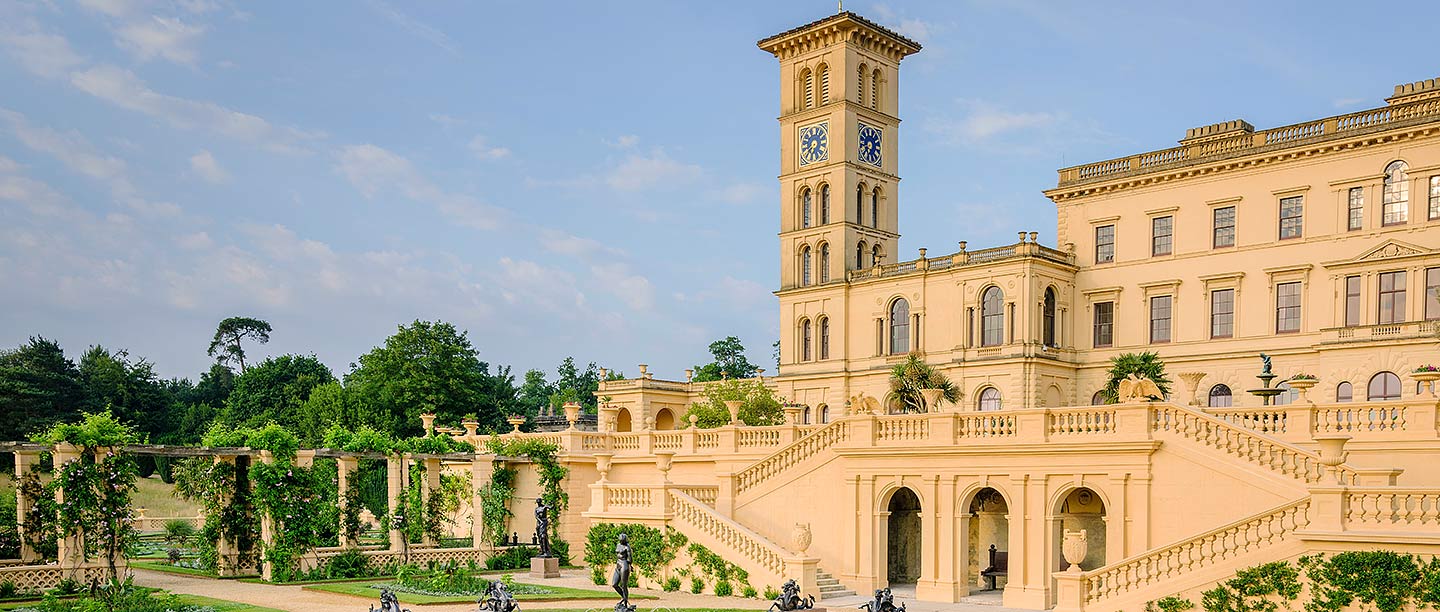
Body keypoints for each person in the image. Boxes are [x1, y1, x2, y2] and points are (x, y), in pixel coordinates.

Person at [611, 533, 633, 612]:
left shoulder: (627, 547)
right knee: (614, 584)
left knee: (624, 585)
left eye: (623, 540)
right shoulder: (618, 545)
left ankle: (626, 603)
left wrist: (630, 565)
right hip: (618, 564)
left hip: (624, 565)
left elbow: (630, 559)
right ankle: (624, 598)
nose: (621, 541)